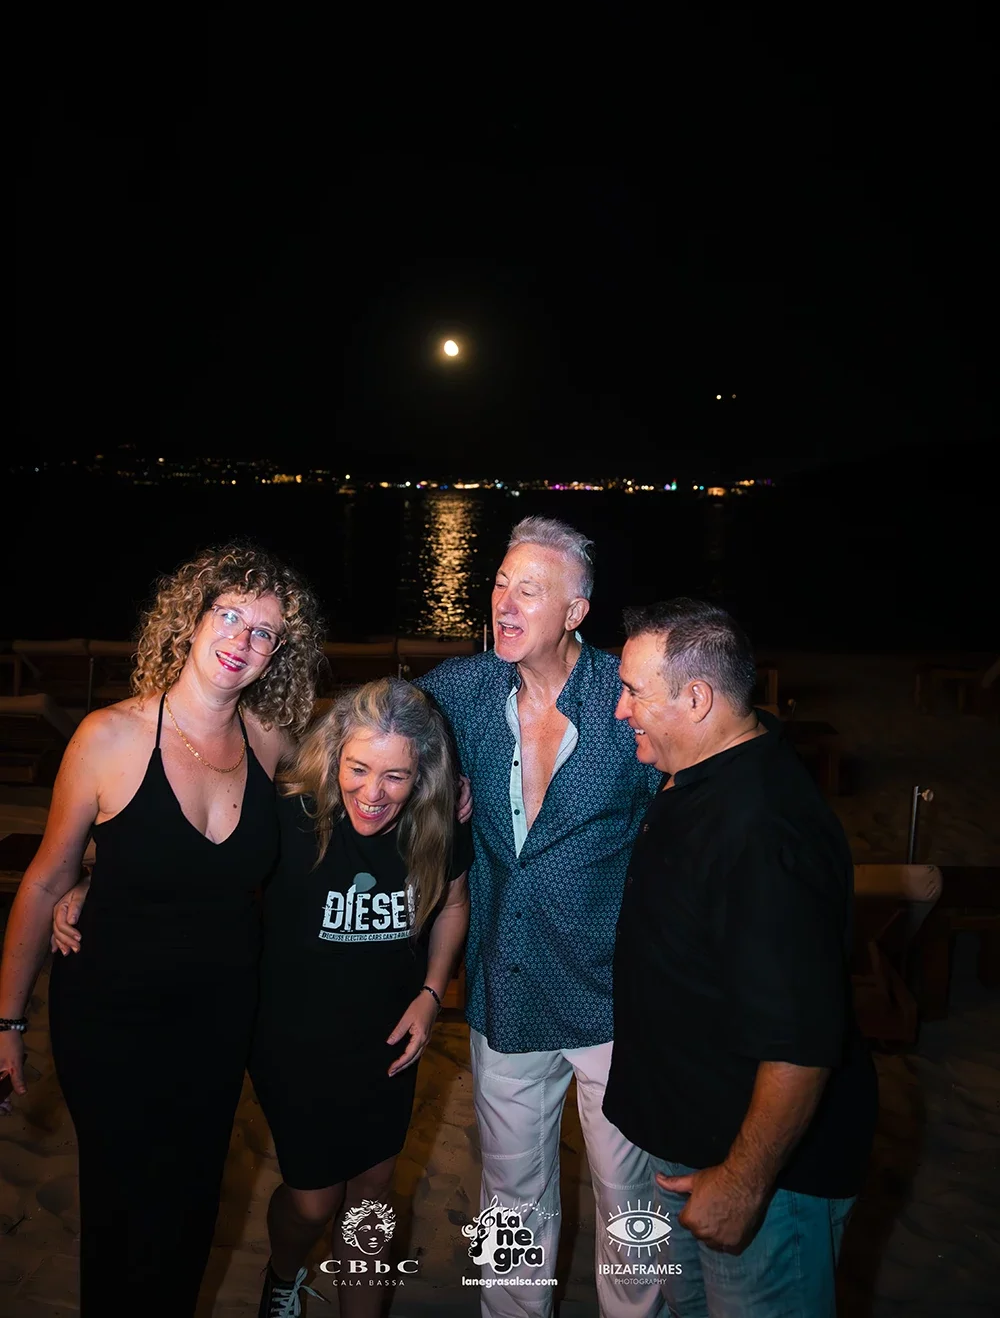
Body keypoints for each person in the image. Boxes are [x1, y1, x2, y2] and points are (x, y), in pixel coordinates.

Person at [0, 543, 324, 1317]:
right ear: (192, 620)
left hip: (218, 1021)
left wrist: (452, 788)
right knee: (123, 1212)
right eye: (230, 616)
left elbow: (366, 779)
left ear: (278, 654)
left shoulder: (271, 742)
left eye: (265, 632)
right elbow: (44, 880)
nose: (243, 640)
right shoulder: (108, 737)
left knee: (192, 1206)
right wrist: (7, 1021)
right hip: (110, 1017)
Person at [416, 517, 666, 1318]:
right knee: (510, 1195)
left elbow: (687, 815)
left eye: (529, 590)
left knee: (631, 1200)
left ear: (575, 611)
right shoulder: (462, 691)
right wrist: (436, 784)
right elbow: (370, 743)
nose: (504, 603)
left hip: (611, 996)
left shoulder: (626, 699)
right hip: (508, 986)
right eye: (500, 584)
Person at [604, 598, 878, 1318]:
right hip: (687, 1146)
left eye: (633, 692)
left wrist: (744, 1181)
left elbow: (801, 1039)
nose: (620, 710)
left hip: (763, 1179)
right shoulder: (703, 773)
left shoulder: (764, 828)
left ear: (696, 699)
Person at [249, 677, 471, 1318]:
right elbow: (201, 862)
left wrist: (431, 992)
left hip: (387, 1042)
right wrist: (92, 881)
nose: (373, 794)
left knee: (372, 1196)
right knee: (314, 1201)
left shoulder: (436, 823)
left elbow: (454, 905)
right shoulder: (291, 813)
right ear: (334, 755)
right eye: (358, 769)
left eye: (395, 776)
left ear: (422, 774)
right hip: (294, 1041)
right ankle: (283, 1274)